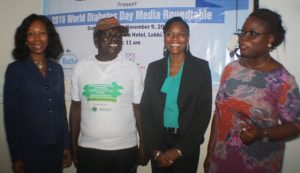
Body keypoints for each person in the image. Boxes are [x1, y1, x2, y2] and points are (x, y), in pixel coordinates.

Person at [204, 8, 300, 173]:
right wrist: (210, 153)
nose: (243, 39)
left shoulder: (282, 80)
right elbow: (219, 114)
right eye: (243, 33)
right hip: (221, 159)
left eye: (252, 34)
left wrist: (261, 133)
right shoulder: (230, 70)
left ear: (270, 39)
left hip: (258, 162)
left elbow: (295, 126)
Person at [69, 16, 147, 173]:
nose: (115, 39)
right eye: (108, 34)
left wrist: (144, 143)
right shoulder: (81, 68)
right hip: (89, 149)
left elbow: (138, 109)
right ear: (96, 40)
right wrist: (72, 144)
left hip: (125, 149)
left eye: (118, 35)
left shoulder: (131, 68)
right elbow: (76, 108)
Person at [140, 16, 212, 173]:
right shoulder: (154, 69)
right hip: (158, 143)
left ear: (187, 38)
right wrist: (155, 150)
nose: (175, 38)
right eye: (170, 34)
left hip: (187, 145)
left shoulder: (201, 68)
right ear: (164, 37)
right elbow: (146, 111)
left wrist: (180, 149)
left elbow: (203, 113)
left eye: (181, 34)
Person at [3, 14, 71, 173]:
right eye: (31, 33)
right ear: (25, 39)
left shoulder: (57, 69)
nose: (37, 38)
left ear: (49, 37)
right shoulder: (15, 70)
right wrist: (16, 155)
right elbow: (11, 117)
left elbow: (61, 109)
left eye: (42, 33)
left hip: (56, 145)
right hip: (29, 148)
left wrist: (66, 145)